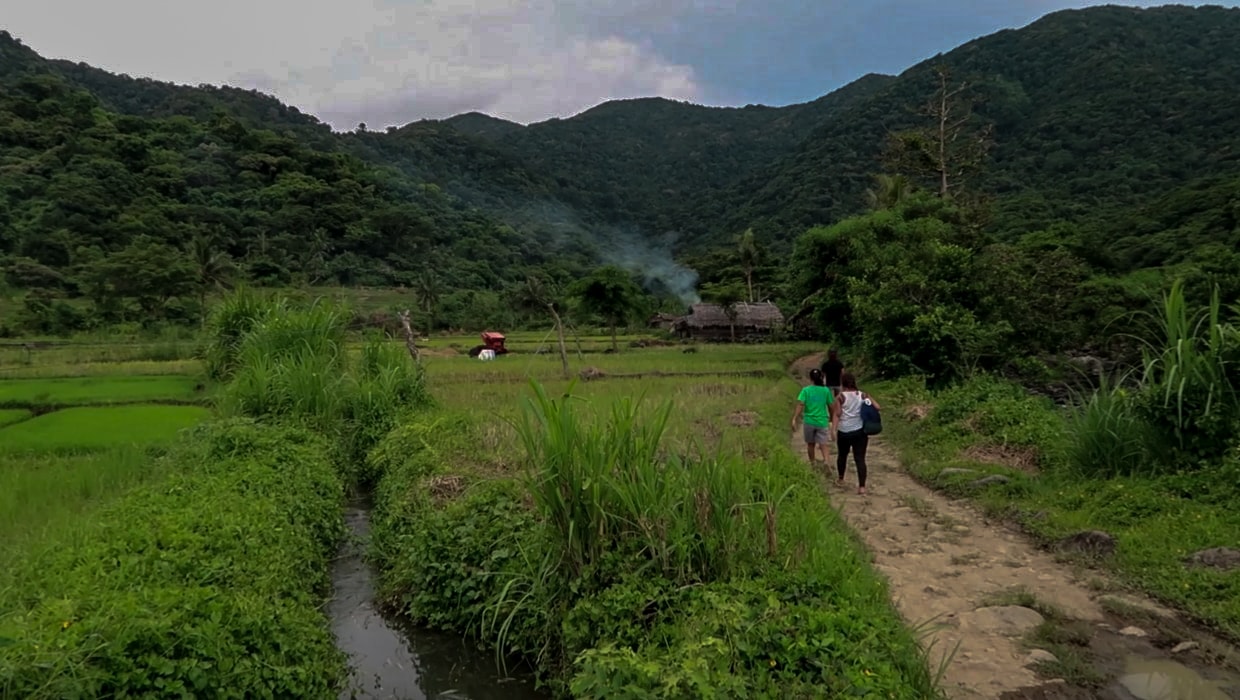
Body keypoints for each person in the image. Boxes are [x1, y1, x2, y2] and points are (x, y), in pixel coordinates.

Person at [834, 371, 880, 495]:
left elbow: (837, 414)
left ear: (842, 383)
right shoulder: (862, 395)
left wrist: (833, 429)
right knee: (860, 459)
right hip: (860, 431)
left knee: (842, 456)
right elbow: (877, 407)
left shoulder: (840, 397)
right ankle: (862, 487)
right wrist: (868, 397)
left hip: (844, 431)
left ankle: (841, 478)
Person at [793, 368, 838, 467]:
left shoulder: (806, 390)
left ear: (810, 378)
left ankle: (813, 463)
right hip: (822, 421)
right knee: (823, 444)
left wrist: (795, 418)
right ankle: (826, 461)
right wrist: (831, 418)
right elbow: (831, 406)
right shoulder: (825, 390)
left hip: (809, 421)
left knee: (810, 444)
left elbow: (800, 404)